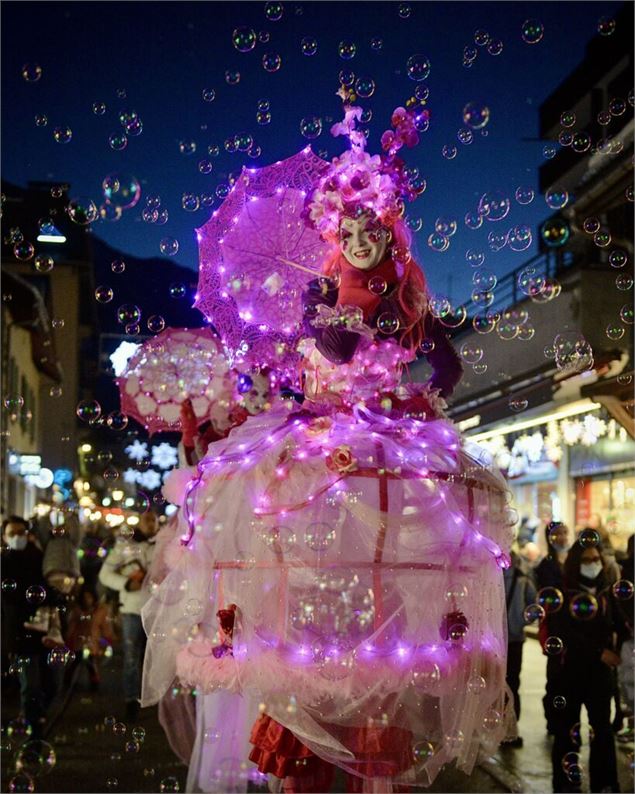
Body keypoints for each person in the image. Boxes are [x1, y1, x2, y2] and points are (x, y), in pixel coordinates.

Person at [142, 98, 513, 793]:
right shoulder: (320, 291)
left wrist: (428, 393)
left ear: (389, 231)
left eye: (373, 226)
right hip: (324, 420)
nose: (363, 237)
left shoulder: (405, 298)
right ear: (336, 236)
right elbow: (328, 344)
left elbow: (445, 362)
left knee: (408, 533)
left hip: (386, 425)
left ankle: (379, 671)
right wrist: (333, 330)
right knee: (271, 507)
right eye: (351, 228)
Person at [546, 540, 625, 793]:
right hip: (570, 673)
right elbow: (563, 633)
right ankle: (566, 786)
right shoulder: (564, 592)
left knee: (602, 731)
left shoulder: (605, 592)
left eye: (596, 559)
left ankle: (605, 784)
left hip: (600, 677)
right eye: (586, 560)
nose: (593, 564)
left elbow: (618, 625)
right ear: (575, 563)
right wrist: (599, 652)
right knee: (566, 731)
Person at [1, 516, 59, 737]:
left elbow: (47, 589)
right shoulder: (3, 562)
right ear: (5, 537)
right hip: (17, 632)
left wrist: (56, 596)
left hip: (43, 630)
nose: (17, 537)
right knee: (31, 685)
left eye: (21, 532)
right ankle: (34, 733)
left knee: (52, 683)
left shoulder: (39, 558)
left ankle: (37, 716)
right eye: (12, 533)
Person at [99, 510, 157, 720]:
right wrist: (125, 583)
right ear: (139, 522)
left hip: (157, 609)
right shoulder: (125, 546)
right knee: (132, 656)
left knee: (153, 657)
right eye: (146, 519)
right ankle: (131, 700)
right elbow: (105, 574)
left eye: (153, 519)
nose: (150, 523)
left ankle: (152, 698)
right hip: (132, 608)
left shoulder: (163, 545)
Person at [534, 521, 571, 735]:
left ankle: (565, 718)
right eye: (558, 533)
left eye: (565, 532)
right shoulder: (546, 566)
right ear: (550, 538)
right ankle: (553, 721)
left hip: (572, 628)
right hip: (556, 628)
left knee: (569, 678)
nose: (563, 537)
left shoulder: (573, 561)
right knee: (555, 678)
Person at [501, 549, 537, 748]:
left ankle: (501, 729)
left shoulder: (492, 578)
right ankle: (511, 729)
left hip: (496, 639)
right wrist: (521, 622)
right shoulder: (523, 578)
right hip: (515, 638)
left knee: (499, 684)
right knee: (513, 683)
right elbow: (535, 605)